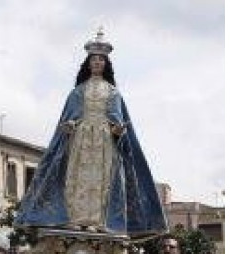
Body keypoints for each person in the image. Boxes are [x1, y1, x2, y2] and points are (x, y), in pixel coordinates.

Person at [14, 28, 167, 237]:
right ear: (88, 64)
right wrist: (68, 125)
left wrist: (118, 129)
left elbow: (118, 120)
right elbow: (68, 116)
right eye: (94, 60)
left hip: (104, 141)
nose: (97, 63)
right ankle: (75, 219)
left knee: (102, 180)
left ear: (106, 64)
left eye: (101, 60)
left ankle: (98, 221)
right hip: (81, 140)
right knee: (77, 178)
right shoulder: (77, 91)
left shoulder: (113, 92)